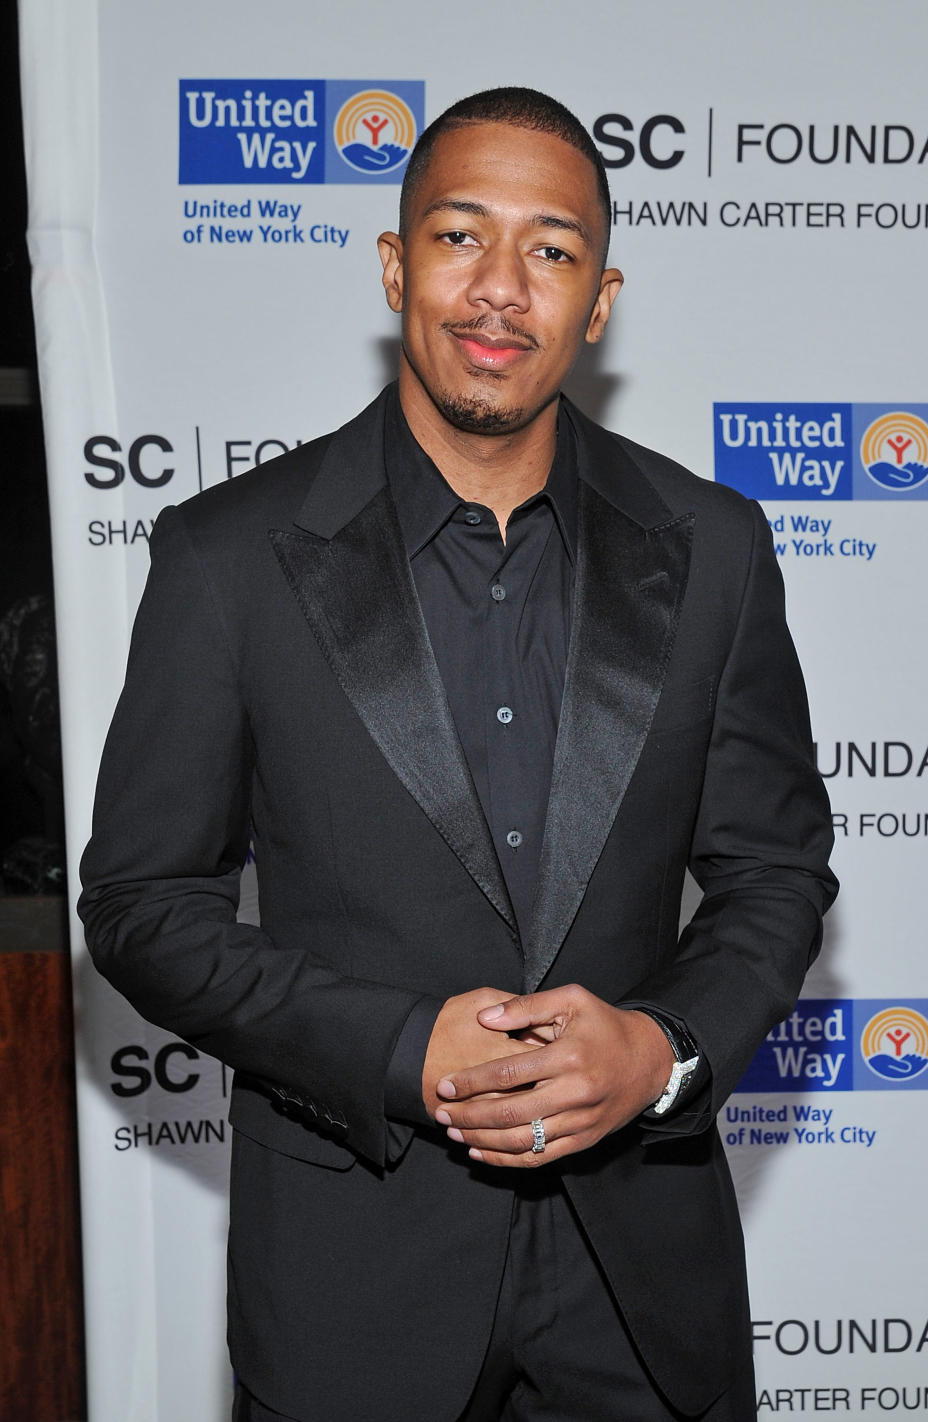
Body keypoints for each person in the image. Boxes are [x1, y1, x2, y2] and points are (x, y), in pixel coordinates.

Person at [79, 87, 837, 1421]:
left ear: (599, 299)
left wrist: (658, 1049)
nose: (501, 289)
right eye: (459, 237)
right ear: (394, 264)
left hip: (645, 1293)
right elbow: (143, 903)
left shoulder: (715, 546)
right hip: (351, 1286)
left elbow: (776, 875)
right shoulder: (227, 559)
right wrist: (392, 1049)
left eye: (550, 250)